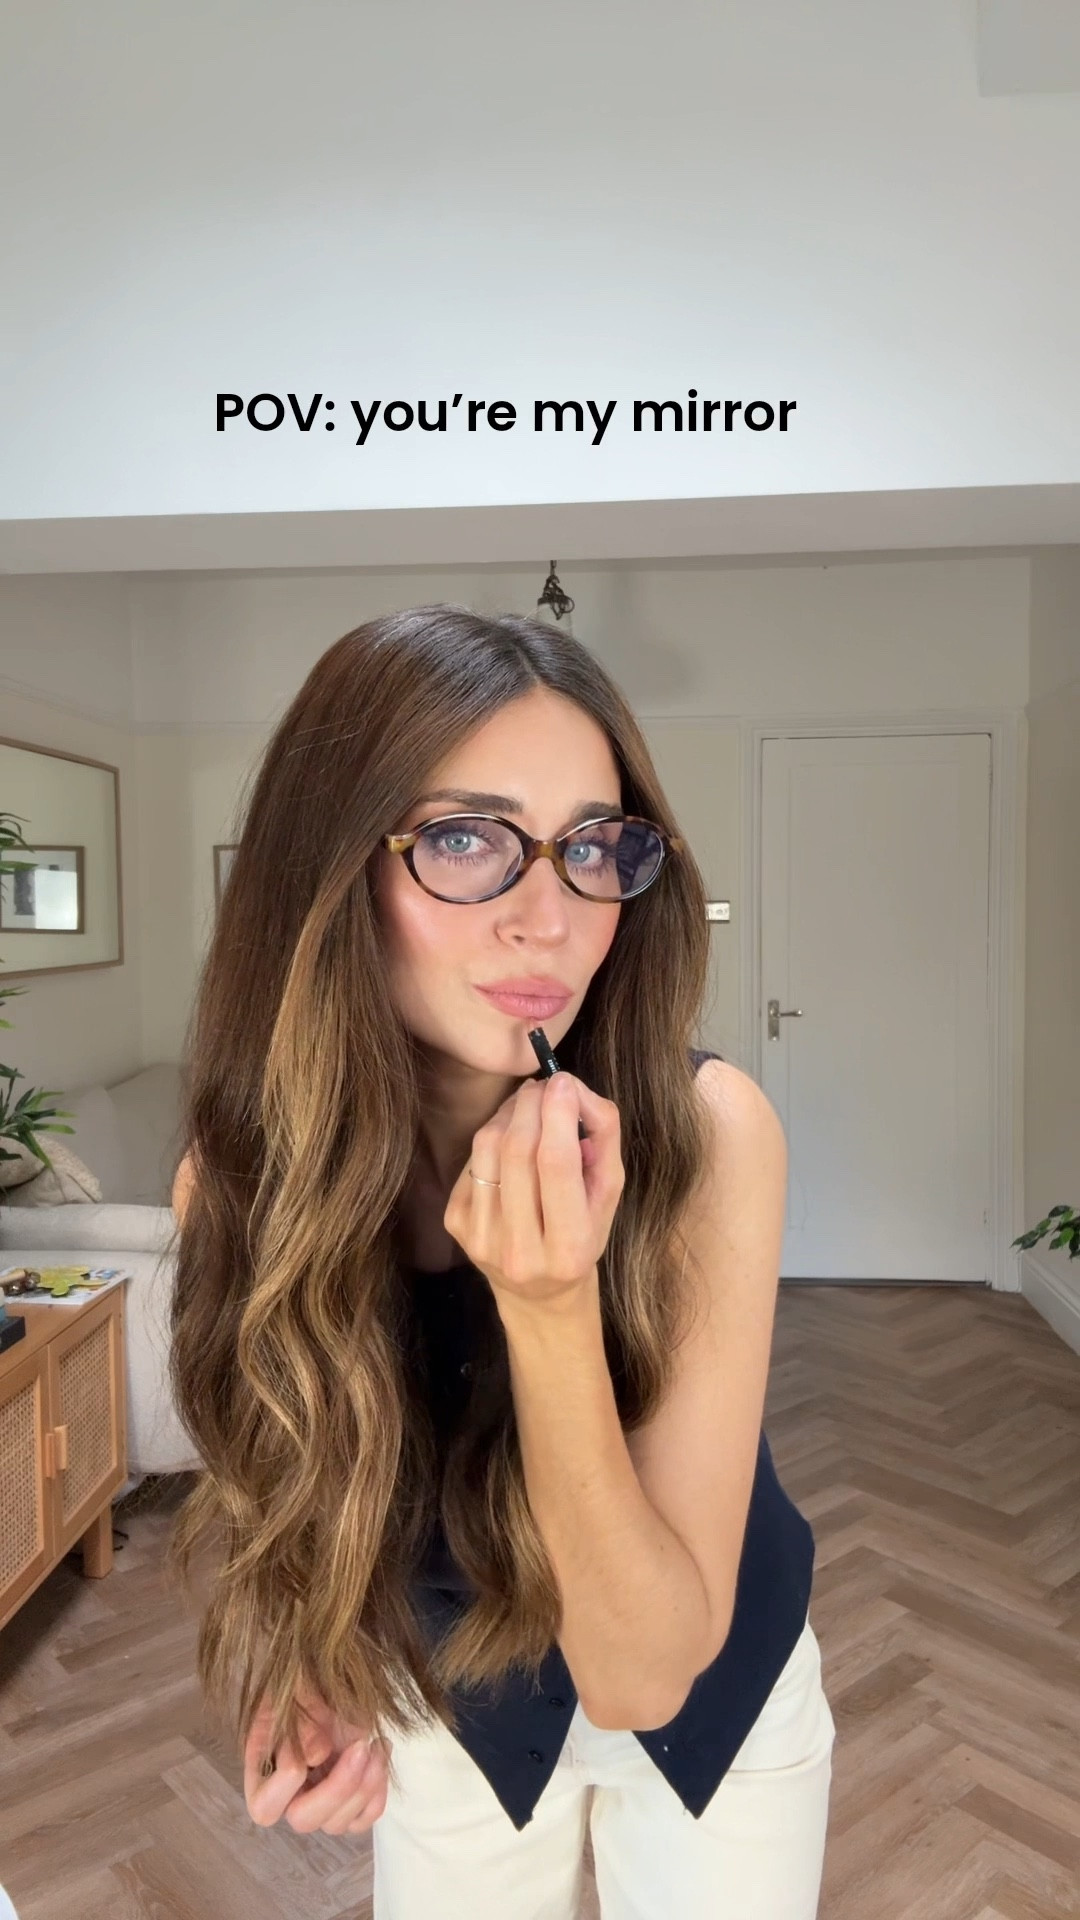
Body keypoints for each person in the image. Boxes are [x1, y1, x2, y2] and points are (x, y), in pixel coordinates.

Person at [168, 605, 835, 1920]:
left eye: (592, 847)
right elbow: (300, 1473)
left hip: (712, 1697)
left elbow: (643, 1675)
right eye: (466, 838)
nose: (552, 920)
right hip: (452, 1696)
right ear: (328, 870)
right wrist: (319, 1659)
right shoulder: (238, 1181)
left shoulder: (708, 1136)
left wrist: (549, 1307)